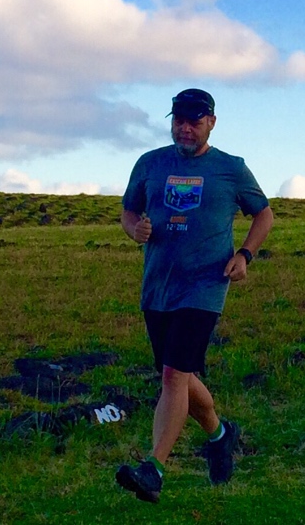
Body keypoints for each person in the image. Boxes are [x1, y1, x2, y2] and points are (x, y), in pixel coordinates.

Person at [114, 88, 274, 503]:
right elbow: (128, 210)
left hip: (205, 284)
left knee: (172, 375)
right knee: (178, 374)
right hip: (158, 286)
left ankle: (154, 469)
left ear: (211, 123)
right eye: (179, 120)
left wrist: (245, 254)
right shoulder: (150, 164)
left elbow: (264, 213)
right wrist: (134, 230)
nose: (185, 128)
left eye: (195, 121)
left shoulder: (231, 169)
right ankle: (220, 435)